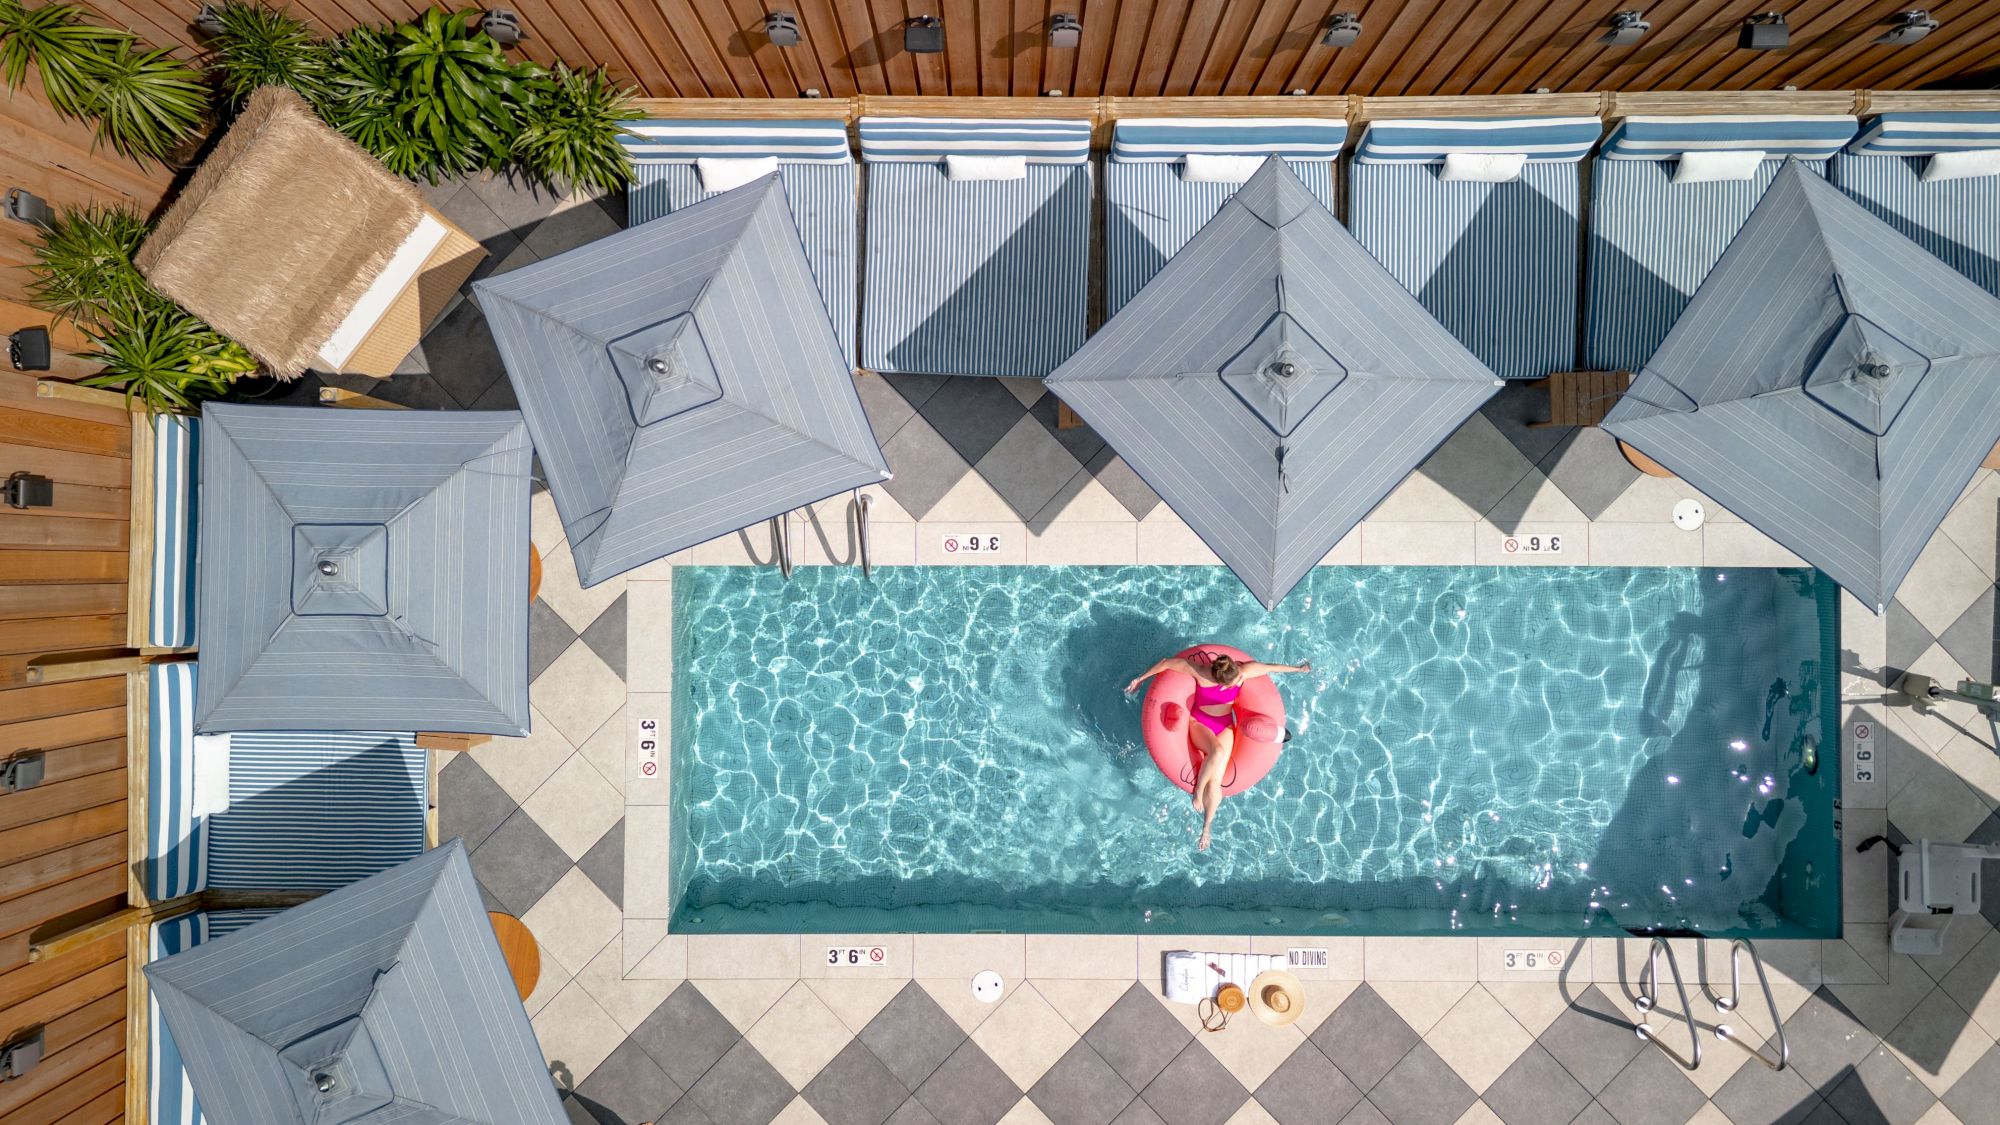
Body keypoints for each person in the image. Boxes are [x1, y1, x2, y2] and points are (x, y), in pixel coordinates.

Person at [1125, 651, 1312, 850]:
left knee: (1217, 781)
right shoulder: (1200, 672)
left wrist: (1298, 669)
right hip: (1199, 723)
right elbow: (1165, 663)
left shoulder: (1242, 672)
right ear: (1218, 679)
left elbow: (1271, 667)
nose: (1237, 681)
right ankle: (1197, 792)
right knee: (1217, 752)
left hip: (1224, 726)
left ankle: (1206, 827)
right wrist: (1140, 679)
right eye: (1231, 684)